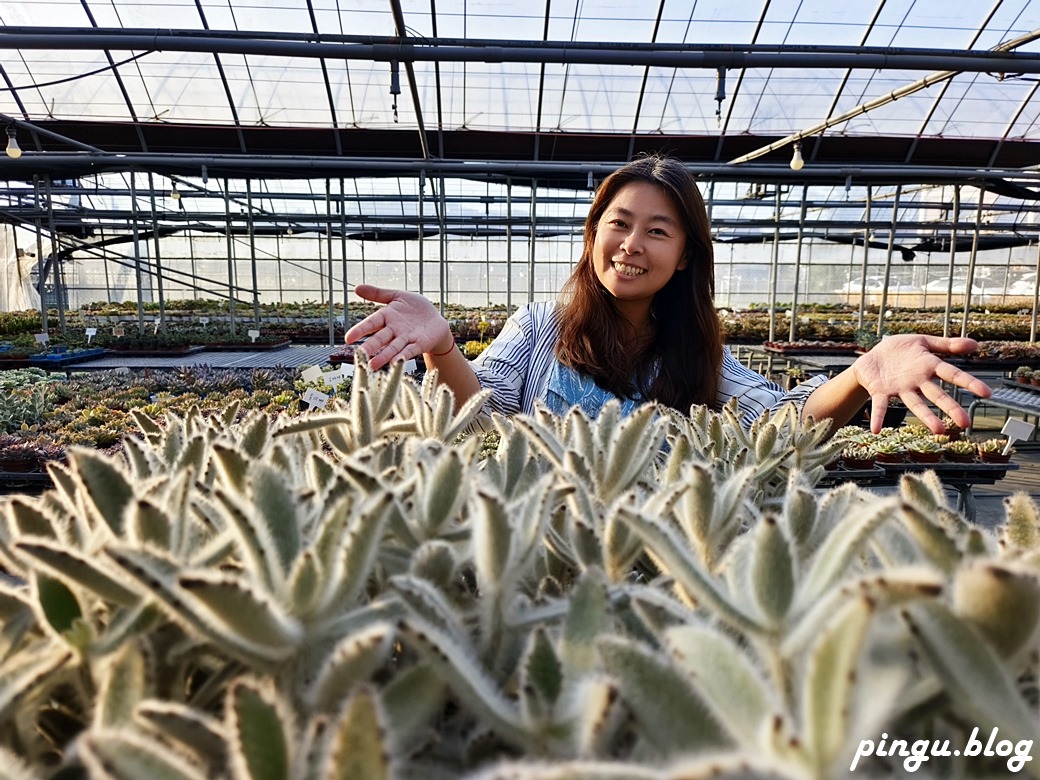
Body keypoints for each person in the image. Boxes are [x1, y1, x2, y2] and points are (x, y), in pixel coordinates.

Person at [344, 154, 991, 434]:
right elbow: (485, 417)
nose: (630, 245)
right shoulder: (543, 324)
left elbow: (777, 423)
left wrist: (859, 373)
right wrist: (443, 350)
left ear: (684, 258)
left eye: (657, 231)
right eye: (618, 225)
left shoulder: (695, 350)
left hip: (655, 554)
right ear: (593, 233)